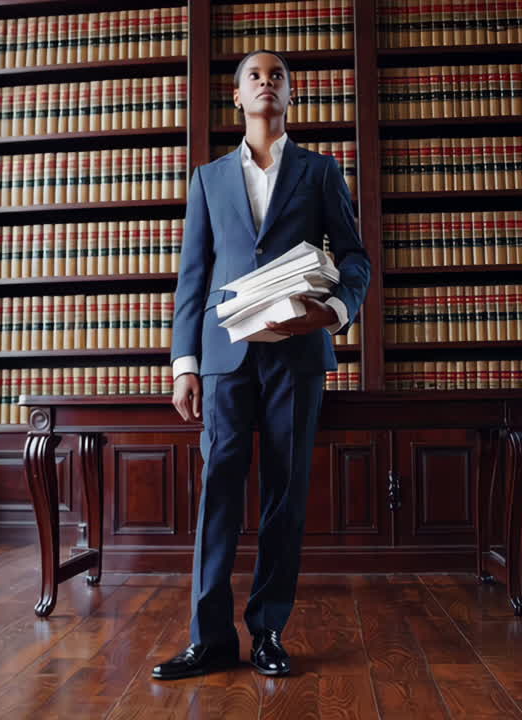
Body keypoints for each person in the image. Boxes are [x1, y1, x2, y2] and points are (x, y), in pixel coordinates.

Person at [152, 49, 371, 680]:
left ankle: (269, 631)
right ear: (238, 96)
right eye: (255, 75)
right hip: (223, 357)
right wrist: (184, 363)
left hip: (296, 355)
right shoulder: (208, 179)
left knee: (286, 494)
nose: (266, 83)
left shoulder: (320, 171)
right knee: (218, 491)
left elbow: (355, 258)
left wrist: (334, 311)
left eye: (277, 76)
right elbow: (193, 277)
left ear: (290, 95)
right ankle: (209, 640)